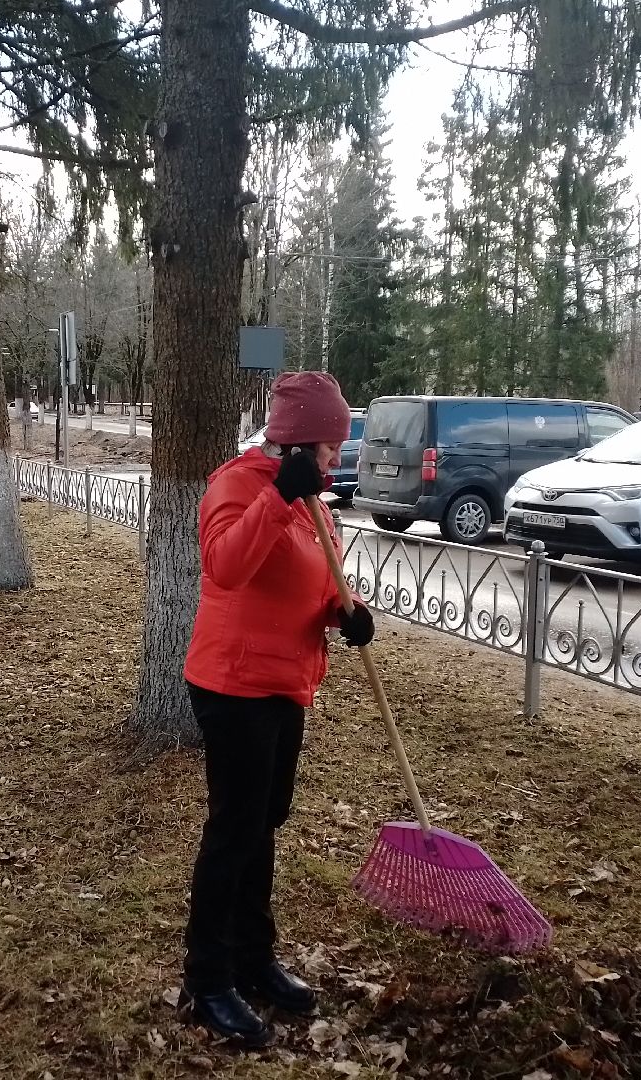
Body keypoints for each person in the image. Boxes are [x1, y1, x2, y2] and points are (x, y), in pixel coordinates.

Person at [178, 370, 375, 1049]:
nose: (333, 461)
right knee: (236, 828)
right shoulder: (236, 485)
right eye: (326, 449)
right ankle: (206, 981)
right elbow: (226, 567)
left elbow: (312, 577)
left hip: (285, 680)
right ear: (295, 445)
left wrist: (342, 613)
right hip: (233, 685)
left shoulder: (311, 499)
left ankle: (253, 956)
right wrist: (277, 498)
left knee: (267, 819)